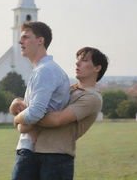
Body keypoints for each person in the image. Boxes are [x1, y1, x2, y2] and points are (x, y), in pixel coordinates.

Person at [11, 46, 108, 180]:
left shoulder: (92, 97)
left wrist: (21, 118)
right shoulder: (69, 88)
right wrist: (17, 104)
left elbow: (55, 119)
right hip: (33, 152)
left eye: (84, 60)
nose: (77, 63)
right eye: (78, 60)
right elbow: (36, 107)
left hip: (57, 159)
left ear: (97, 68)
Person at [10, 21, 70, 180]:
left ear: (40, 40)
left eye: (25, 37)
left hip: (33, 152)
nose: (20, 41)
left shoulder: (45, 71)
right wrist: (17, 103)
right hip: (36, 150)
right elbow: (34, 111)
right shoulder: (43, 70)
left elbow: (35, 113)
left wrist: (17, 120)